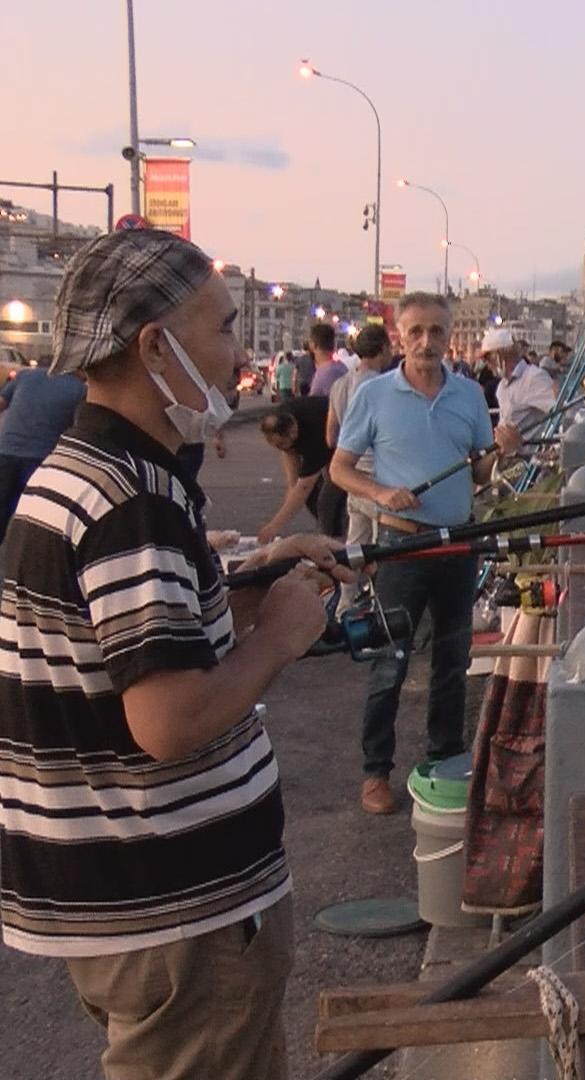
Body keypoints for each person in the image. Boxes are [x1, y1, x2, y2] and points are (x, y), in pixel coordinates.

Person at [0, 228, 351, 1080]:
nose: (241, 356)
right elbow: (167, 718)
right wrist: (279, 638)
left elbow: (123, 643)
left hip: (132, 902)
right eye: (224, 328)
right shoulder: (131, 499)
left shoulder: (82, 471)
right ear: (156, 347)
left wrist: (252, 581)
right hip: (176, 909)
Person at [330, 291, 520, 814]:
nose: (426, 341)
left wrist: (502, 451)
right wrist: (381, 492)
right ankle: (376, 771)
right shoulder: (374, 395)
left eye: (436, 331)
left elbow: (479, 472)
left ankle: (444, 760)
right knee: (389, 660)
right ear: (399, 335)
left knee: (452, 660)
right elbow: (339, 468)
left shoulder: (468, 395)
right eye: (415, 331)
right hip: (402, 544)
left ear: (449, 335)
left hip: (459, 541)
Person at [328, 322, 396, 544]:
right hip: (377, 479)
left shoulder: (339, 385)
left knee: (355, 550)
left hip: (351, 477)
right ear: (383, 348)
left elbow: (330, 436)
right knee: (383, 549)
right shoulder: (383, 387)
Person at [0, 366, 86, 523]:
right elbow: (79, 427)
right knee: (30, 515)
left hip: (6, 452)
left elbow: (1, 403)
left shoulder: (25, 375)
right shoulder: (79, 389)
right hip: (41, 461)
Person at [255, 397, 340, 541]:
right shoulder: (282, 417)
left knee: (328, 500)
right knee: (312, 498)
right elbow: (293, 481)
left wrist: (274, 526)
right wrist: (289, 494)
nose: (280, 448)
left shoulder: (313, 434)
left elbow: (304, 487)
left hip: (343, 445)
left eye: (282, 444)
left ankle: (334, 539)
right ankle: (328, 533)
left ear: (293, 432)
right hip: (325, 442)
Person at [484, 328, 558, 432]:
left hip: (529, 443)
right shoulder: (502, 387)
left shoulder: (534, 378)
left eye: (488, 359)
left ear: (499, 356)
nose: (487, 366)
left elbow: (558, 413)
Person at [294, 324, 326, 396]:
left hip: (302, 383)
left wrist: (294, 386)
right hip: (312, 383)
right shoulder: (314, 359)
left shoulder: (299, 359)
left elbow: (295, 374)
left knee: (303, 399)